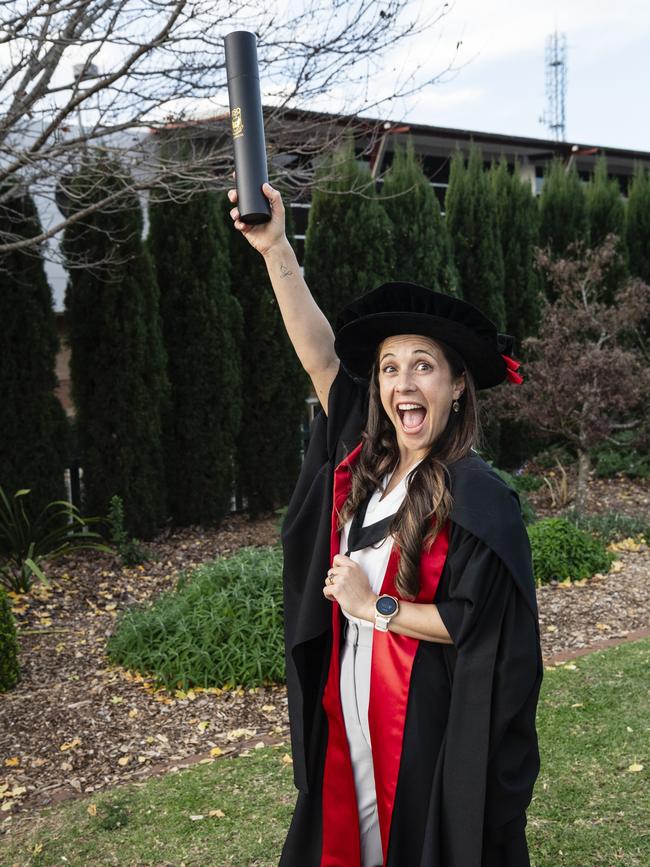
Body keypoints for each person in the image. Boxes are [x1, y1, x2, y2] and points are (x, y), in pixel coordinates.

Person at [228, 181, 543, 867]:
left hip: (423, 730)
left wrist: (378, 606)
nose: (403, 383)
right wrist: (277, 246)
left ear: (456, 385)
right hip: (349, 721)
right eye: (391, 367)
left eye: (423, 366)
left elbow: (474, 626)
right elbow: (319, 355)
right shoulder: (364, 466)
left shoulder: (480, 499)